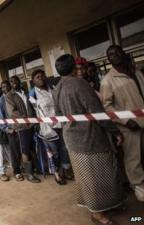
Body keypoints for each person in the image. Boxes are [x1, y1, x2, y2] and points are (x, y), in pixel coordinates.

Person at [53, 54, 124, 225]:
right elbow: (97, 112)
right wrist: (115, 131)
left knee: (89, 177)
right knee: (98, 176)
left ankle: (109, 204)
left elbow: (59, 116)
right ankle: (97, 214)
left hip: (72, 139)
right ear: (73, 67)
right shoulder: (80, 84)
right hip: (90, 138)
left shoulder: (57, 89)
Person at [101, 45, 144, 202]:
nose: (115, 55)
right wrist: (125, 120)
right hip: (129, 126)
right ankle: (139, 186)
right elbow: (107, 107)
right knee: (134, 158)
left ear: (123, 53)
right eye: (110, 54)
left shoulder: (136, 72)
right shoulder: (107, 80)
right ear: (108, 60)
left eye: (117, 52)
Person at [29, 69, 71, 185]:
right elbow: (31, 113)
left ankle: (65, 170)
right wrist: (37, 126)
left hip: (61, 124)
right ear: (33, 81)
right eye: (37, 77)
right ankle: (57, 174)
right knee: (53, 152)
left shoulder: (52, 88)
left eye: (42, 76)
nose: (41, 78)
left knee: (64, 149)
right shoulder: (32, 94)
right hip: (47, 128)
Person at [5, 75, 41, 183]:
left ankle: (35, 169)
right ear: (10, 84)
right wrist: (27, 119)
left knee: (32, 148)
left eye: (16, 80)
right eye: (11, 81)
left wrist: (34, 120)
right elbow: (13, 112)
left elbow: (31, 107)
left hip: (31, 125)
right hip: (21, 127)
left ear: (19, 82)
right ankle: (29, 174)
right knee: (24, 150)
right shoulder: (9, 96)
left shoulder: (25, 93)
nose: (14, 82)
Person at [0, 80, 24, 181]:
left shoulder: (15, 96)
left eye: (7, 86)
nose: (6, 88)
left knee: (24, 150)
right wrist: (7, 129)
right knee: (15, 151)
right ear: (1, 89)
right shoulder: (1, 101)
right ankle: (17, 171)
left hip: (22, 128)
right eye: (3, 87)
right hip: (12, 130)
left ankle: (24, 167)